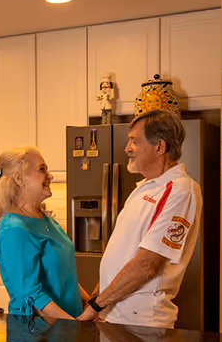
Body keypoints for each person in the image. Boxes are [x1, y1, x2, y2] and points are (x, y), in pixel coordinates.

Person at [81, 109, 202, 328]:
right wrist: (99, 299)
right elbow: (122, 253)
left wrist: (96, 305)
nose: (127, 149)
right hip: (114, 312)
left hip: (140, 320)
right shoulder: (144, 187)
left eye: (134, 142)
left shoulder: (180, 191)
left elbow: (148, 265)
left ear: (160, 147)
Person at [0, 146, 92, 320]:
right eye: (42, 169)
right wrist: (75, 326)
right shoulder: (14, 229)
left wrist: (90, 304)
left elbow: (64, 275)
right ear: (19, 178)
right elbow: (32, 297)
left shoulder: (44, 218)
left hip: (67, 324)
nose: (50, 176)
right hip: (41, 336)